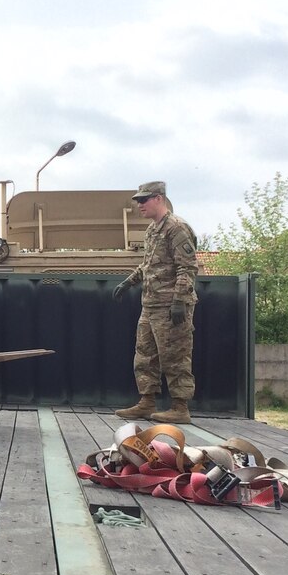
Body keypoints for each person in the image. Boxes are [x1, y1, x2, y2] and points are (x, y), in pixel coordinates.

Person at [112, 181, 198, 424]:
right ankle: (146, 402)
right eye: (138, 200)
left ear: (159, 198)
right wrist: (128, 282)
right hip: (150, 305)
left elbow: (187, 267)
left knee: (175, 355)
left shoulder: (176, 228)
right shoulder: (152, 230)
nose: (140, 204)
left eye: (144, 199)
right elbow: (149, 266)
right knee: (144, 355)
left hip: (171, 307)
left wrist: (179, 301)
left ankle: (180, 408)